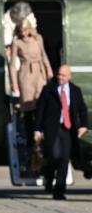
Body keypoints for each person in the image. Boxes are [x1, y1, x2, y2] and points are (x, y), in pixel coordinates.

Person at [34, 65, 88, 200]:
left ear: (69, 76)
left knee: (64, 160)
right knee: (53, 155)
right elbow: (40, 111)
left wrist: (84, 126)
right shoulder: (48, 90)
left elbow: (82, 109)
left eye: (63, 76)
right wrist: (37, 129)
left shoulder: (75, 91)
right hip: (53, 128)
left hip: (68, 129)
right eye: (58, 75)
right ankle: (49, 176)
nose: (60, 78)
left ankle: (59, 191)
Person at [10, 19, 53, 111]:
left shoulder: (38, 38)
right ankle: (27, 123)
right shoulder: (17, 42)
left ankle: (40, 123)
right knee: (28, 103)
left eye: (25, 30)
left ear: (30, 29)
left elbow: (43, 55)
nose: (23, 33)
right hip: (26, 73)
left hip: (40, 72)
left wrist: (49, 69)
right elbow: (12, 65)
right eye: (21, 31)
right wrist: (14, 83)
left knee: (42, 99)